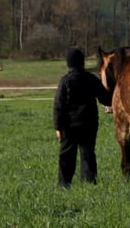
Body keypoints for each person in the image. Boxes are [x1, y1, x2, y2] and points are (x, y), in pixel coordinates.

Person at [53, 48, 112, 188]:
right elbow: (105, 99)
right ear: (83, 62)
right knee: (88, 153)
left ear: (68, 64)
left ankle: (64, 184)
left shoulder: (65, 81)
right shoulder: (91, 79)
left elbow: (58, 106)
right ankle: (90, 183)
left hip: (69, 125)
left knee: (67, 154)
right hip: (89, 123)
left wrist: (58, 127)